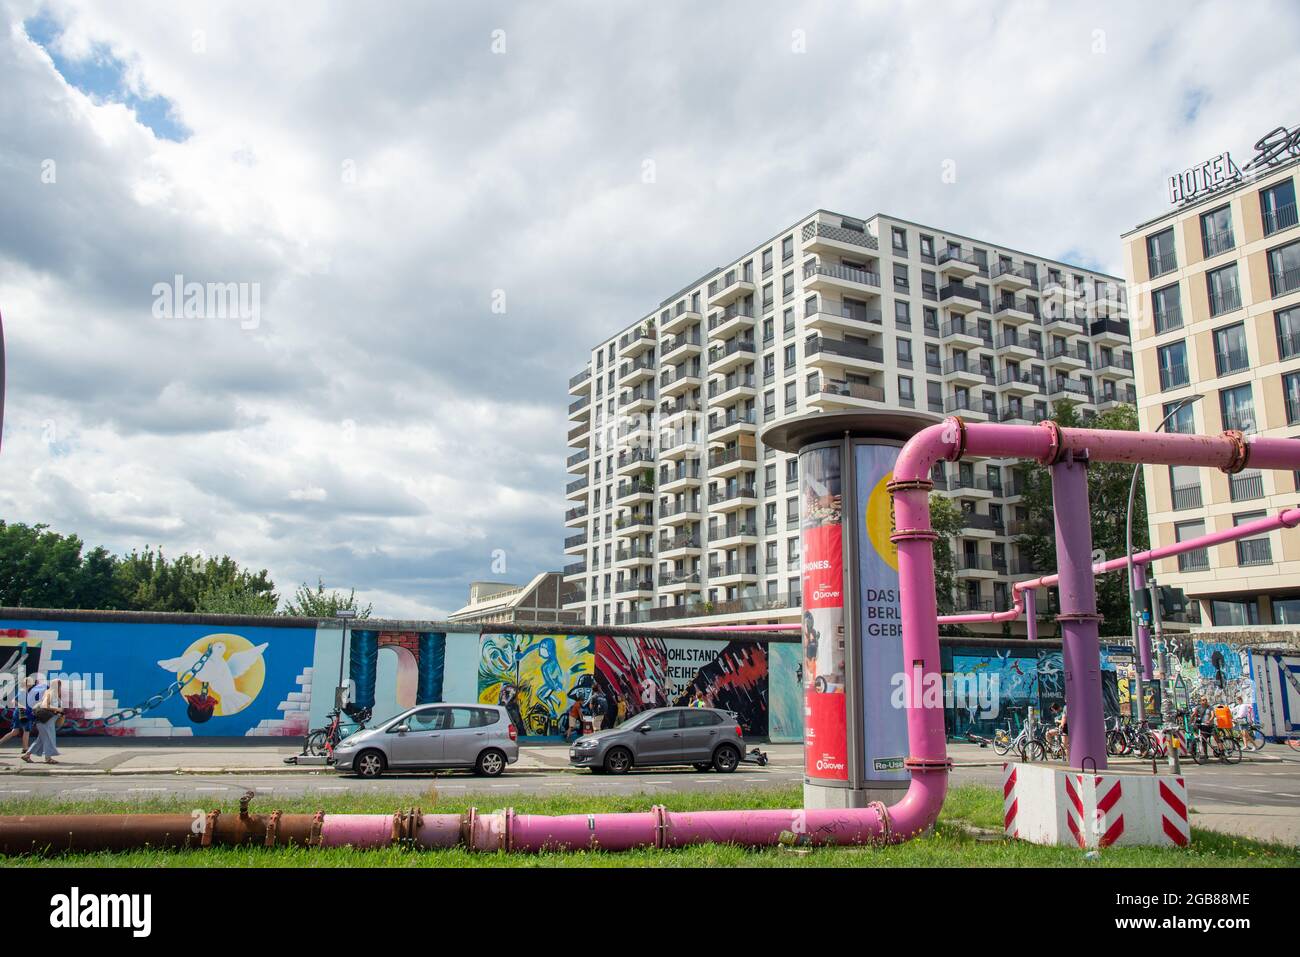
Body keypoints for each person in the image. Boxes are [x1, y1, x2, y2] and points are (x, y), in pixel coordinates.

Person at [23, 677, 63, 765]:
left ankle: (27, 755)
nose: (60, 687)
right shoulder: (50, 693)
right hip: (46, 721)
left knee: (40, 740)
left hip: (47, 721)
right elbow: (45, 705)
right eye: (59, 685)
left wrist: (58, 712)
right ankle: (48, 758)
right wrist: (58, 709)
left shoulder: (51, 693)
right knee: (49, 738)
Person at [0, 676, 37, 755]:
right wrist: (22, 706)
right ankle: (25, 748)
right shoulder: (23, 691)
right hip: (23, 712)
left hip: (19, 712)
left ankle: (1, 742)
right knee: (26, 730)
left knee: (15, 732)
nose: (32, 684)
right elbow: (14, 701)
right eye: (31, 682)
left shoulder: (24, 691)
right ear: (28, 683)